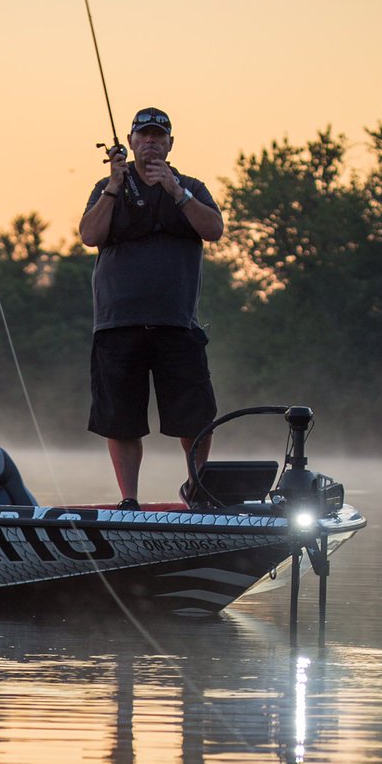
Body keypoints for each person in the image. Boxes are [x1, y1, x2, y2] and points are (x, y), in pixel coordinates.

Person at [79, 107, 224, 510]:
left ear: (170, 144)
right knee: (120, 419)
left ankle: (196, 489)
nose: (151, 143)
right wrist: (113, 184)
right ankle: (129, 499)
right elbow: (90, 235)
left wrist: (176, 192)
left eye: (158, 137)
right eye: (143, 136)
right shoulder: (107, 187)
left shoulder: (191, 185)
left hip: (177, 324)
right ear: (130, 143)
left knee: (196, 415)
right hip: (116, 324)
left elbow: (213, 229)